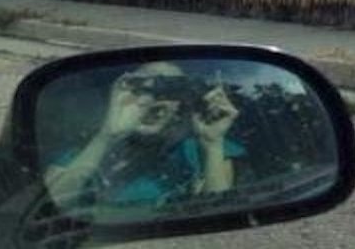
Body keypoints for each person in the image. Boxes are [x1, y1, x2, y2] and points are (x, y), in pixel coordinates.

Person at [43, 61, 245, 210]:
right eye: (143, 87)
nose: (156, 101)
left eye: (171, 90)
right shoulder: (85, 151)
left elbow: (217, 212)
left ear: (181, 105)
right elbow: (48, 207)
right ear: (120, 94)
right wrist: (107, 136)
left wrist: (213, 145)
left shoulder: (197, 151)